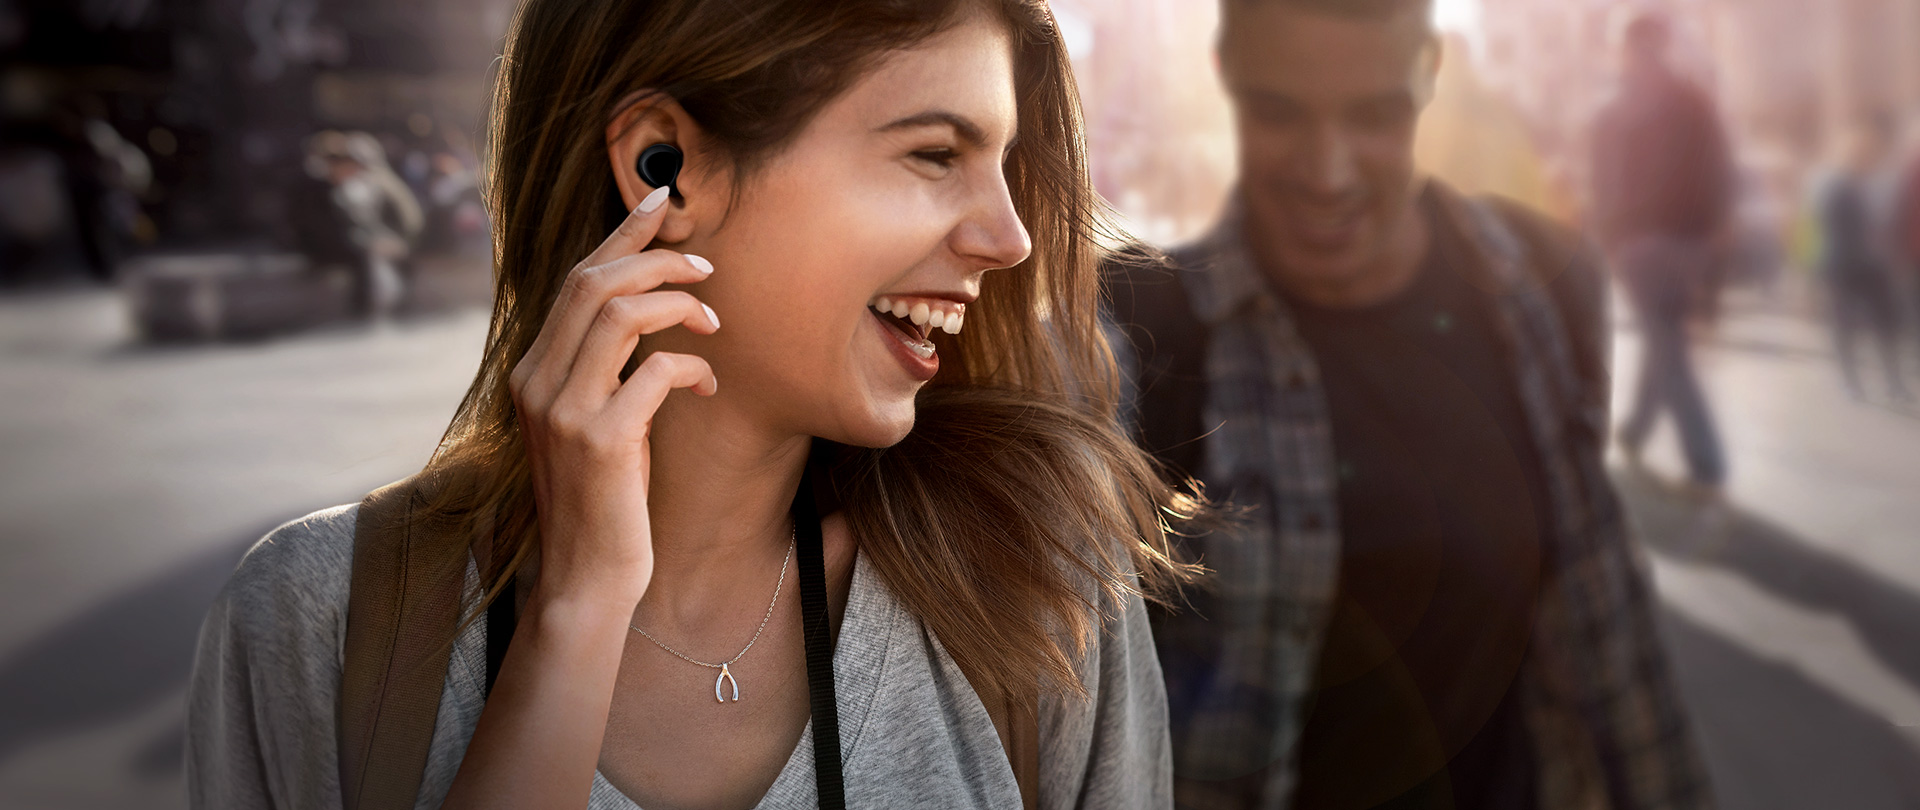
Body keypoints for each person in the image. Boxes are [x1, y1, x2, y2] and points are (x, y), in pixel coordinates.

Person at [187, 1, 1198, 808]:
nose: (1009, 236)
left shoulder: (1041, 594)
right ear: (663, 163)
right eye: (936, 154)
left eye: (1005, 165)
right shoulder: (318, 621)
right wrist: (577, 615)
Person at [1105, 0, 1712, 808]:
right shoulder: (1144, 331)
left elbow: (1610, 635)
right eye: (1280, 114)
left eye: (1375, 117)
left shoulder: (1547, 285)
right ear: (1228, 82)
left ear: (1429, 77)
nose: (1329, 171)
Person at [1589, 9, 1735, 491]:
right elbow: (1721, 169)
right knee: (1665, 339)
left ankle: (1706, 463)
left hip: (1641, 244)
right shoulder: (1696, 100)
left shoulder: (1619, 105)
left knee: (1667, 347)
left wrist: (1609, 240)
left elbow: (1605, 184)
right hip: (1690, 243)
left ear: (1628, 48)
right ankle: (1635, 431)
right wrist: (1713, 235)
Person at [1813, 118, 1913, 402]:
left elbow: (1889, 221)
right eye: (1863, 150)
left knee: (1887, 324)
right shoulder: (1835, 185)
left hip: (1874, 266)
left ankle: (1894, 383)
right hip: (1843, 265)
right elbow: (1828, 227)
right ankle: (1851, 382)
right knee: (1845, 325)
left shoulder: (1878, 182)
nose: (1869, 155)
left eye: (1872, 150)